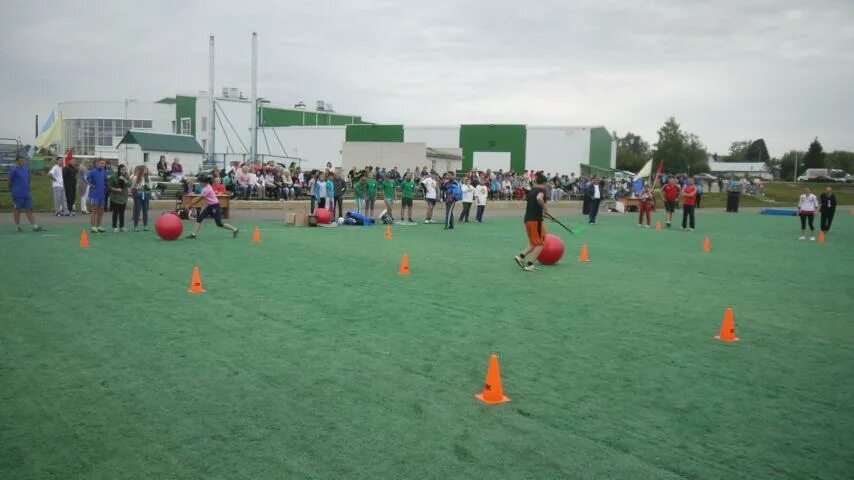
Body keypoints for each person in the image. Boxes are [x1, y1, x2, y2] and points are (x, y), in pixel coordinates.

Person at [514, 172, 549, 272]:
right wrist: (545, 208)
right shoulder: (541, 190)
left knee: (533, 243)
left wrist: (543, 214)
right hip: (535, 221)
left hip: (528, 220)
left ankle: (520, 256)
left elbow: (534, 206)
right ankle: (529, 264)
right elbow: (539, 199)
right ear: (545, 183)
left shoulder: (532, 191)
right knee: (540, 244)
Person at [186, 175, 239, 239]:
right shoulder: (206, 187)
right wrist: (196, 198)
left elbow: (200, 199)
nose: (199, 183)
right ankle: (193, 234)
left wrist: (190, 206)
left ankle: (235, 229)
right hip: (210, 206)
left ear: (205, 182)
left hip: (215, 206)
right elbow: (201, 197)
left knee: (219, 224)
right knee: (199, 218)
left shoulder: (207, 189)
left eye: (200, 182)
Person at [8, 156, 43, 232]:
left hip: (26, 193)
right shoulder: (14, 170)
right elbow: (10, 181)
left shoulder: (26, 169)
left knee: (29, 209)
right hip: (17, 193)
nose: (22, 162)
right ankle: (17, 226)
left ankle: (34, 226)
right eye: (21, 161)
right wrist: (11, 190)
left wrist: (29, 188)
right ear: (17, 161)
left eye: (23, 161)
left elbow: (28, 180)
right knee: (17, 209)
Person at [86, 159, 108, 233]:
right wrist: (90, 184)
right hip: (94, 195)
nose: (102, 165)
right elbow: (85, 177)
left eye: (104, 164)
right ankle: (93, 227)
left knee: (101, 211)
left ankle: (98, 226)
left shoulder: (103, 172)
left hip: (101, 195)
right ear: (97, 164)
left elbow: (106, 179)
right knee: (94, 211)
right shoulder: (92, 171)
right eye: (101, 163)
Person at [130, 165, 153, 232]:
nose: (146, 170)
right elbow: (133, 187)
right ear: (141, 170)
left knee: (145, 211)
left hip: (146, 195)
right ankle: (136, 226)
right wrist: (134, 195)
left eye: (146, 169)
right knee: (137, 211)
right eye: (145, 169)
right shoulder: (136, 178)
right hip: (138, 195)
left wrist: (148, 188)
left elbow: (150, 187)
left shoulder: (148, 178)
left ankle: (145, 226)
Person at [109, 164, 130, 232]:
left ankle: (122, 226)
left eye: (125, 169)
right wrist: (116, 189)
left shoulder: (126, 175)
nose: (124, 171)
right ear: (119, 169)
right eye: (122, 169)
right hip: (116, 197)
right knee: (115, 212)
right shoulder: (114, 176)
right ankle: (114, 226)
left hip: (123, 197)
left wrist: (123, 179)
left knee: (122, 212)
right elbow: (109, 186)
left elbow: (129, 184)